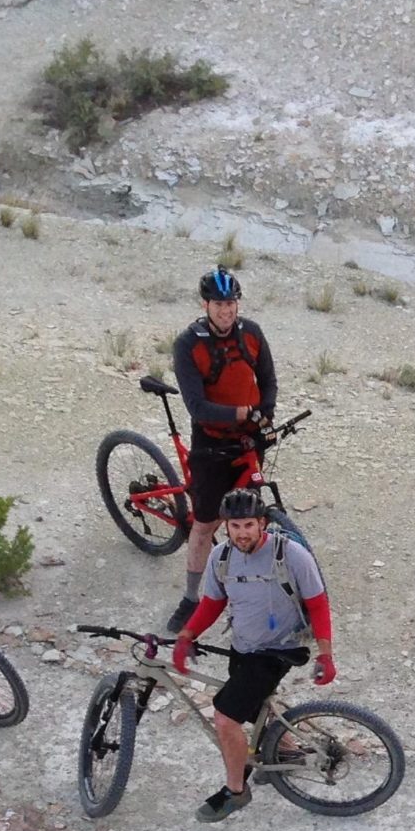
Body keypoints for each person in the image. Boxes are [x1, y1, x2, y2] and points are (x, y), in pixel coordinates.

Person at [170, 488, 335, 822]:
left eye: (248, 525)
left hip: (279, 649)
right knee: (256, 705)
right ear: (226, 528)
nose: (242, 532)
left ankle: (235, 791)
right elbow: (212, 603)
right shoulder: (221, 558)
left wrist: (326, 654)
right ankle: (280, 753)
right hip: (243, 646)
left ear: (262, 523)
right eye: (235, 526)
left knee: (226, 716)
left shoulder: (291, 555)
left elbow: (318, 603)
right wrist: (187, 635)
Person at [168, 267, 279, 634]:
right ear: (206, 304)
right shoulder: (188, 344)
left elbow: (268, 380)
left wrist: (266, 413)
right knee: (203, 524)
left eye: (231, 302)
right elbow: (197, 407)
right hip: (212, 442)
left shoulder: (252, 334)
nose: (226, 310)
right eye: (219, 304)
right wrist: (241, 413)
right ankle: (190, 597)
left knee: (248, 513)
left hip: (249, 438)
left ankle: (254, 583)